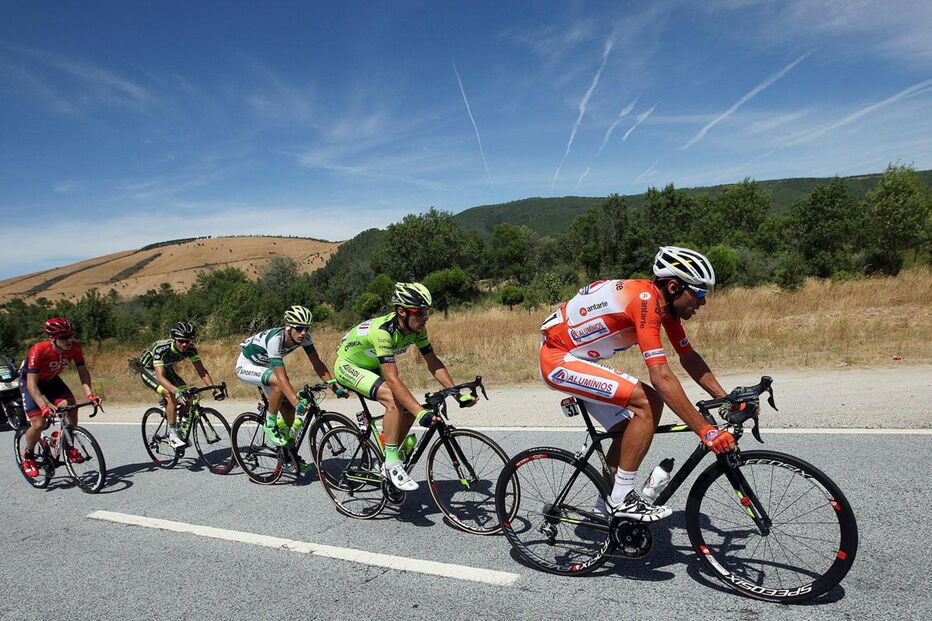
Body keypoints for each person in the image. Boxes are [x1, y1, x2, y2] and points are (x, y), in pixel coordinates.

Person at [539, 246, 736, 521]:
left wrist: (726, 400)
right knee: (649, 401)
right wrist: (706, 431)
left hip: (580, 359)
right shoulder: (644, 302)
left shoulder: (665, 307)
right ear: (674, 287)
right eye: (700, 294)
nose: (703, 302)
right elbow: (661, 376)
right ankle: (621, 499)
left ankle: (604, 510)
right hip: (559, 360)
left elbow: (688, 356)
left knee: (625, 432)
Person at [333, 282, 476, 492]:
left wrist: (456, 394)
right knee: (394, 399)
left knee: (408, 408)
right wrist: (421, 413)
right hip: (349, 365)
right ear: (401, 311)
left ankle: (389, 452)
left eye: (427, 312)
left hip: (372, 365)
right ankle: (391, 463)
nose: (425, 318)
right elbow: (392, 379)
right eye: (420, 312)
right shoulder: (383, 332)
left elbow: (433, 362)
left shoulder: (418, 330)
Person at [235, 305, 346, 469]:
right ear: (288, 326)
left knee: (289, 411)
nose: (303, 333)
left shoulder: (305, 338)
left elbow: (317, 364)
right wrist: (296, 401)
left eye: (307, 329)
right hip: (248, 365)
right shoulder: (275, 340)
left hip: (266, 366)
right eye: (299, 328)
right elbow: (281, 377)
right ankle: (270, 424)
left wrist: (334, 388)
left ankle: (288, 454)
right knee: (280, 384)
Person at [19, 318, 101, 477]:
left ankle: (68, 444)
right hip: (31, 382)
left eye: (70, 335)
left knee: (71, 405)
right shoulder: (38, 350)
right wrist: (43, 405)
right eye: (63, 337)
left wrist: (90, 394)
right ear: (52, 338)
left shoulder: (75, 347)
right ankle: (28, 456)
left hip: (52, 381)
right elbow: (32, 384)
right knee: (39, 423)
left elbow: (83, 372)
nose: (68, 340)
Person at [139, 321, 224, 448]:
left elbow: (201, 370)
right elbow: (160, 377)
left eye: (188, 341)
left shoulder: (191, 349)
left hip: (166, 369)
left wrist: (214, 390)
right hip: (150, 370)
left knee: (188, 395)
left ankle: (178, 423)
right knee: (170, 394)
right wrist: (176, 391)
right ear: (174, 339)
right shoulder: (161, 348)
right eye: (181, 341)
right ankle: (172, 435)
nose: (184, 344)